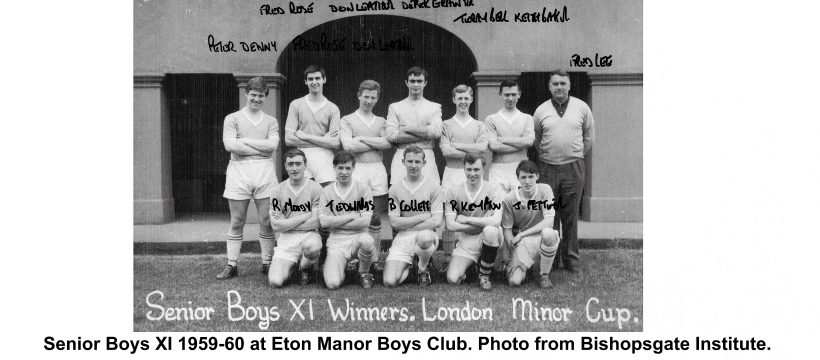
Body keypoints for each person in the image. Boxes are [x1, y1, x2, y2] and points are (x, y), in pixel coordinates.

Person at [532, 69, 595, 272]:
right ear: (549, 87)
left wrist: (573, 155)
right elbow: (536, 138)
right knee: (551, 215)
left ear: (569, 86)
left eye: (563, 83)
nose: (559, 87)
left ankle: (571, 259)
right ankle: (553, 257)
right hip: (548, 167)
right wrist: (550, 155)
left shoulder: (581, 107)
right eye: (555, 84)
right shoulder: (541, 110)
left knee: (570, 215)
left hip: (573, 167)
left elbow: (588, 137)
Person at [217, 76, 279, 280]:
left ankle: (267, 262)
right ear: (246, 94)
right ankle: (232, 264)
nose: (256, 99)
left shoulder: (271, 121)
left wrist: (244, 142)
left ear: (265, 97)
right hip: (239, 170)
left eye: (261, 95)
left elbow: (273, 146)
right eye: (253, 94)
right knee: (237, 220)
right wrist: (259, 146)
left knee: (266, 220)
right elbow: (230, 146)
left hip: (264, 171)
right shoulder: (232, 118)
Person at [339, 80, 391, 269]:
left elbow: (387, 143)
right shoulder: (347, 120)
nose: (369, 101)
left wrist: (360, 138)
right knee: (356, 214)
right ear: (359, 95)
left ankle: (375, 258)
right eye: (366, 96)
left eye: (373, 97)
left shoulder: (382, 121)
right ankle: (354, 257)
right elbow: (348, 146)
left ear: (377, 99)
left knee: (375, 216)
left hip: (377, 169)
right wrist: (375, 141)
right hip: (357, 169)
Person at [383, 146, 443, 287]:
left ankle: (422, 268)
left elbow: (436, 221)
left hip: (425, 236)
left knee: (425, 237)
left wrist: (405, 223)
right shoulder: (394, 189)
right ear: (403, 162)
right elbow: (394, 223)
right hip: (403, 237)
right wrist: (422, 217)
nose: (413, 165)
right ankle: (412, 269)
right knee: (389, 282)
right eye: (410, 161)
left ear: (424, 163)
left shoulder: (434, 187)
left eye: (417, 161)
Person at [442, 155, 505, 290]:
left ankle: (484, 275)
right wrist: (483, 222)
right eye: (468, 169)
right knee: (453, 279)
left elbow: (496, 221)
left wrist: (466, 219)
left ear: (483, 169)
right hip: (467, 240)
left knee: (491, 230)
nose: (472, 174)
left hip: (488, 237)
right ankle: (473, 268)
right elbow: (451, 225)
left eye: (476, 169)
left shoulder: (494, 189)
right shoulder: (453, 191)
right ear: (463, 169)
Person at [319, 151, 377, 289]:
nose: (344, 172)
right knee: (332, 284)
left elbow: (365, 222)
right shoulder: (326, 191)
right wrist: (351, 216)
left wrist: (335, 222)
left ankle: (363, 272)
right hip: (336, 242)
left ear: (353, 168)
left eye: (348, 168)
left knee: (367, 241)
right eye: (340, 168)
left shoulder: (364, 189)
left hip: (358, 238)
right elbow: (324, 223)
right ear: (334, 168)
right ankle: (344, 266)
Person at [267, 149, 324, 287]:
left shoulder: (316, 188)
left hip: (308, 236)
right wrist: (304, 216)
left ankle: (304, 268)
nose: (294, 168)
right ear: (285, 166)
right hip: (286, 239)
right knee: (275, 282)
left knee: (313, 246)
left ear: (305, 165)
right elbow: (275, 226)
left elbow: (316, 221)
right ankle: (293, 266)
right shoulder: (276, 191)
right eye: (290, 164)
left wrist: (286, 223)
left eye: (298, 164)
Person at [501, 160, 560, 288]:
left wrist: (522, 234)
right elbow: (507, 229)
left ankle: (544, 276)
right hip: (524, 243)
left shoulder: (545, 190)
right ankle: (524, 268)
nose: (527, 181)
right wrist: (511, 252)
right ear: (518, 178)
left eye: (531, 177)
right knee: (514, 281)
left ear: (537, 176)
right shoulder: (510, 199)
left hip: (541, 239)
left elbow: (549, 222)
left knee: (549, 233)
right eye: (523, 177)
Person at [384, 66, 442, 185]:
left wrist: (405, 129)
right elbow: (391, 135)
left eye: (419, 81)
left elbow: (436, 132)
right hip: (402, 156)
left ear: (425, 83)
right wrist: (425, 134)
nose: (416, 84)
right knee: (401, 197)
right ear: (407, 83)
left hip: (426, 156)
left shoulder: (434, 107)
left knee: (427, 197)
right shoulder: (395, 107)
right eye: (412, 81)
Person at [284, 65, 341, 187]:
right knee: (303, 198)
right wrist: (324, 140)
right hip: (301, 155)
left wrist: (304, 136)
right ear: (306, 81)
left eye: (317, 78)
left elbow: (335, 143)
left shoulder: (333, 108)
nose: (314, 82)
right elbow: (288, 139)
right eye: (310, 79)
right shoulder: (296, 104)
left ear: (324, 79)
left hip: (325, 157)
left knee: (327, 197)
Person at [485, 79, 535, 193]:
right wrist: (521, 143)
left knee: (520, 206)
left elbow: (529, 142)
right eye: (507, 95)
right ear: (500, 95)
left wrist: (503, 139)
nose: (511, 98)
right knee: (498, 207)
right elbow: (493, 146)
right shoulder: (491, 119)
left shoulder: (527, 118)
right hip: (498, 169)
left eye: (514, 94)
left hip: (521, 168)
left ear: (519, 94)